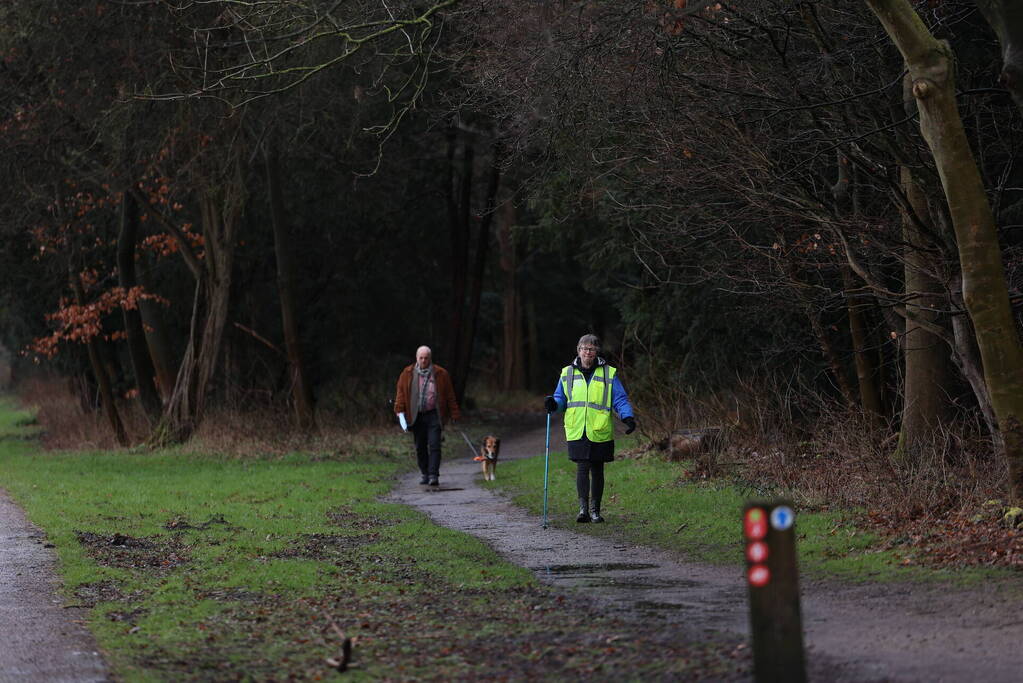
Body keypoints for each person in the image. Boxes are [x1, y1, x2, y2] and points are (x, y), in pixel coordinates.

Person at [545, 334, 635, 523]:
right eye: (584, 348)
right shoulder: (567, 373)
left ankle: (595, 510)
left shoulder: (608, 373)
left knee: (597, 469)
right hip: (577, 428)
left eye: (592, 349)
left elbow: (619, 399)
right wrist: (554, 404)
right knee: (582, 468)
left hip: (600, 428)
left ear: (597, 352)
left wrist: (627, 417)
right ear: (578, 350)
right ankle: (583, 510)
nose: (588, 352)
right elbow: (561, 398)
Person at [394, 345, 461, 487]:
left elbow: (449, 395)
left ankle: (433, 475)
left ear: (430, 358)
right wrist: (399, 410)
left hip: (434, 415)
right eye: (421, 358)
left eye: (426, 358)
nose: (423, 360)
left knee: (435, 444)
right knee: (420, 447)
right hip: (416, 415)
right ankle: (425, 472)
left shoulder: (441, 374)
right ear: (416, 358)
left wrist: (454, 412)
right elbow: (401, 394)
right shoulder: (407, 373)